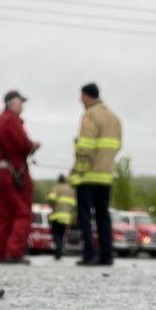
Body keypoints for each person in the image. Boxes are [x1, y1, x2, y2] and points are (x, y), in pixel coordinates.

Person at [69, 83, 122, 266]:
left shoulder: (89, 116)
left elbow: (85, 147)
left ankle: (89, 253)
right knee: (103, 215)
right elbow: (116, 146)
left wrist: (78, 170)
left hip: (88, 176)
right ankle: (107, 254)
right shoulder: (114, 118)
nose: (79, 100)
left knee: (84, 215)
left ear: (87, 96)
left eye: (81, 96)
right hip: (106, 175)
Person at [0, 90, 41, 263]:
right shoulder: (11, 120)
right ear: (12, 103)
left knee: (3, 213)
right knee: (22, 212)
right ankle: (15, 252)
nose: (23, 107)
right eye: (21, 103)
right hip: (15, 171)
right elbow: (23, 144)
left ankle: (1, 252)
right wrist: (34, 145)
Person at [47, 174, 75, 260]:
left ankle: (58, 250)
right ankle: (61, 249)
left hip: (56, 216)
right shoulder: (71, 190)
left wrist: (50, 203)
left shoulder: (56, 188)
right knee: (62, 234)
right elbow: (74, 204)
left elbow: (51, 198)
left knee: (56, 234)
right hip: (67, 217)